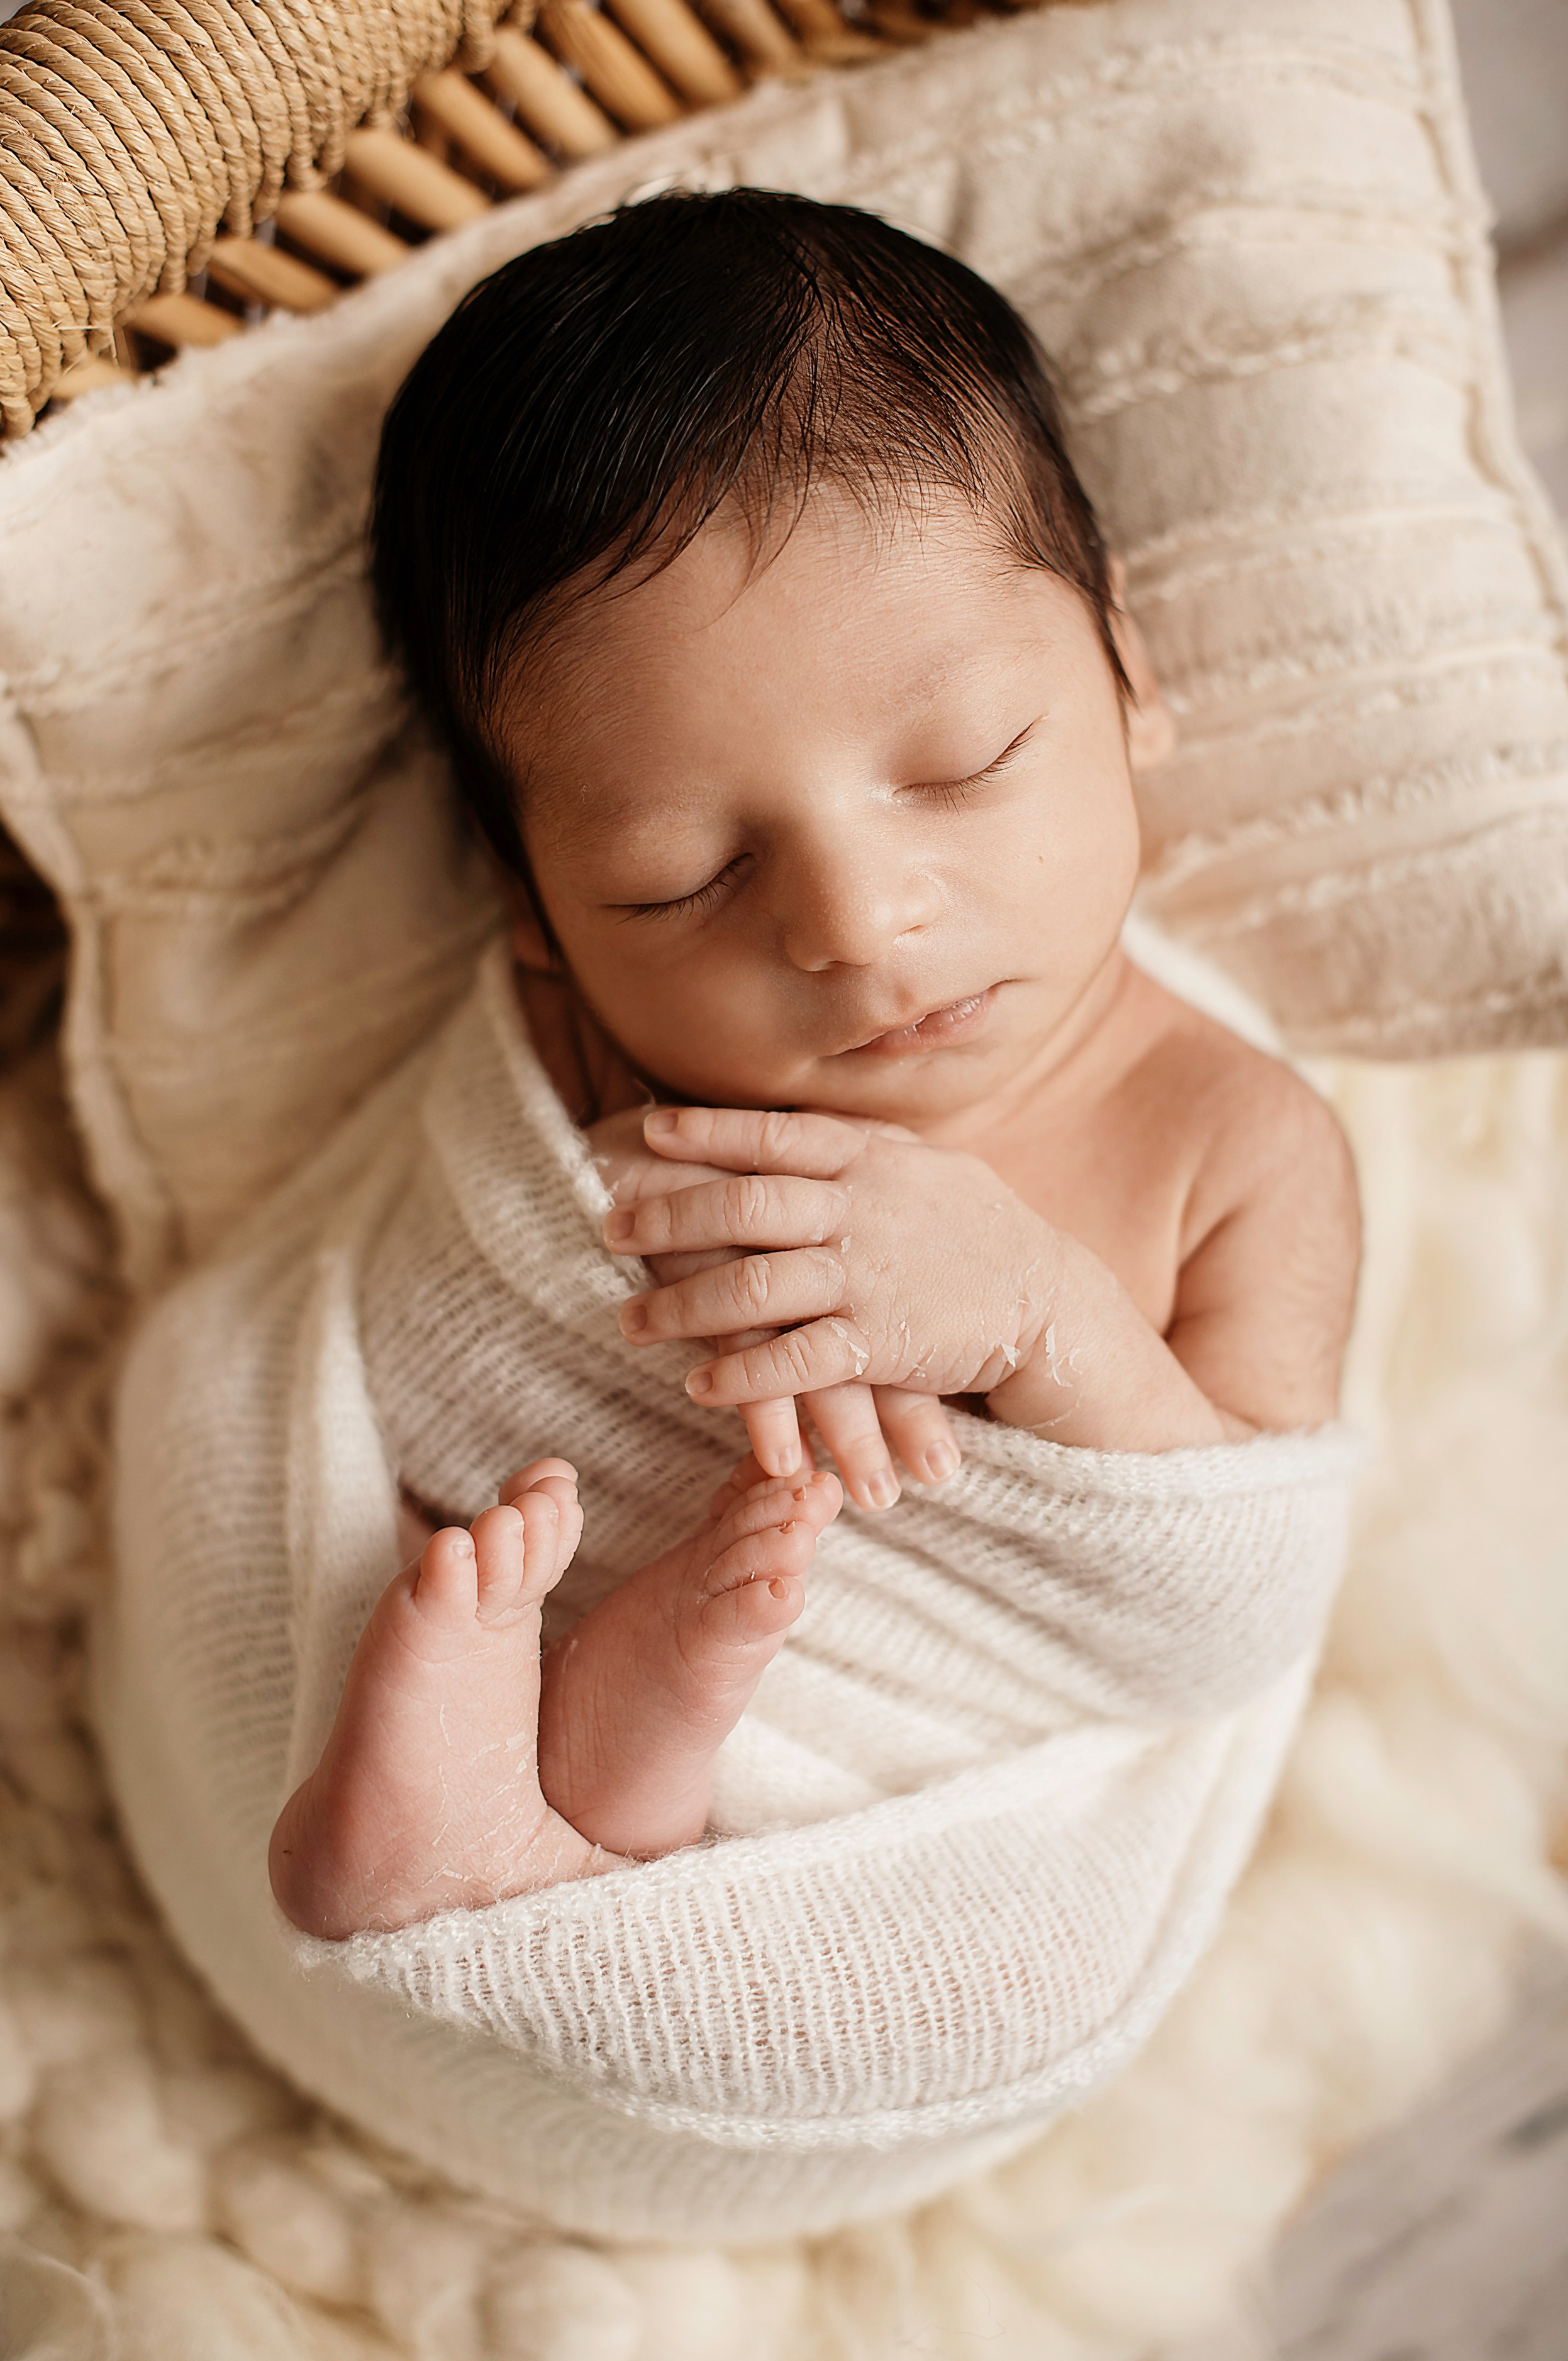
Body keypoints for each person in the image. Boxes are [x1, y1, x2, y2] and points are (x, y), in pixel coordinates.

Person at [269, 189, 1359, 1941]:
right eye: (683, 875)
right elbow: (412, 1319)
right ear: (535, 913)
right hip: (502, 1626)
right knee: (421, 1553)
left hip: (898, 1811)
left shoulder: (1235, 1142)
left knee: (718, 1683)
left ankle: (583, 1830)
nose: (855, 923)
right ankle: (522, 1784)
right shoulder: (592, 1054)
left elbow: (1232, 1600)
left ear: (1128, 675)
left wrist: (1038, 1318)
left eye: (961, 760)